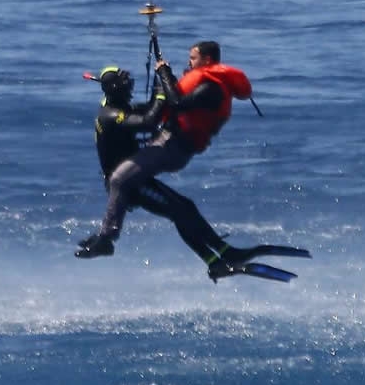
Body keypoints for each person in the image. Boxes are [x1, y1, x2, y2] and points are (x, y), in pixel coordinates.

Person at [76, 52, 269, 274]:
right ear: (115, 90)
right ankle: (106, 239)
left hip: (135, 177)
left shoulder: (115, 103)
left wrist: (165, 84)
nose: (129, 88)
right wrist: (161, 94)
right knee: (179, 211)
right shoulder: (111, 114)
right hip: (129, 184)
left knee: (185, 208)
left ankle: (218, 257)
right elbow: (149, 122)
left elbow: (148, 110)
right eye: (124, 85)